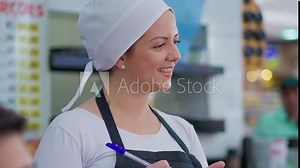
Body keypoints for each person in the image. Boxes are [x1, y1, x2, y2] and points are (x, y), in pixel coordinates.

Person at [34, 0, 225, 167]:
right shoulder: (71, 132)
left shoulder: (183, 131)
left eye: (176, 41)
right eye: (160, 45)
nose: (176, 55)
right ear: (120, 56)